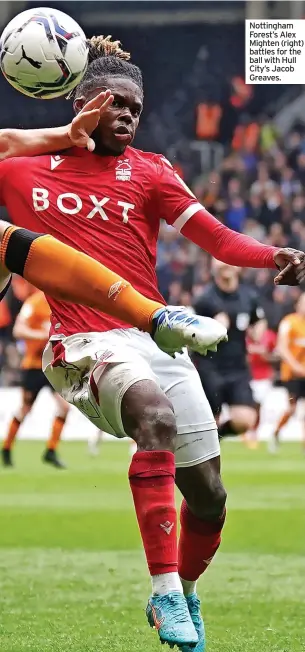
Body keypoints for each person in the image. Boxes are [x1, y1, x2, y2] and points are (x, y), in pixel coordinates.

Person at [0, 35, 304, 651]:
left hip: (155, 339)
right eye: (115, 104)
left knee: (212, 499)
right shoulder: (24, 168)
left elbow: (216, 239)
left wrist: (273, 255)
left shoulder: (151, 170)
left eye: (136, 108)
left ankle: (182, 587)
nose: (128, 117)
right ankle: (166, 589)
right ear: (85, 103)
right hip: (82, 339)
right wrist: (63, 134)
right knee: (154, 418)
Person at [194, 260, 267, 440]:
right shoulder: (204, 299)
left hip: (238, 368)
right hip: (210, 366)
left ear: (239, 266)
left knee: (245, 419)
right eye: (220, 261)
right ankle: (204, 450)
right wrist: (211, 328)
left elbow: (258, 319)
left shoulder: (249, 296)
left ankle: (215, 437)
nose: (226, 265)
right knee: (209, 419)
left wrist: (258, 330)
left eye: (229, 261)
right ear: (212, 267)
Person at [2, 290, 68, 468]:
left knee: (64, 407)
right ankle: (6, 448)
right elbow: (18, 330)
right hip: (33, 366)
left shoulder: (63, 302)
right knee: (25, 409)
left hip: (53, 366)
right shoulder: (34, 302)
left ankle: (51, 451)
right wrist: (43, 335)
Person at [272, 293, 305, 453]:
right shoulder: (288, 322)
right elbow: (282, 348)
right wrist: (295, 366)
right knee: (292, 409)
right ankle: (276, 432)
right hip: (292, 374)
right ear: (298, 304)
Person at [246, 320, 277, 446]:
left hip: (264, 376)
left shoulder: (270, 336)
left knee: (258, 405)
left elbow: (277, 354)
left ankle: (253, 431)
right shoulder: (245, 337)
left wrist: (266, 355)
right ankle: (248, 431)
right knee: (249, 405)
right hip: (247, 376)